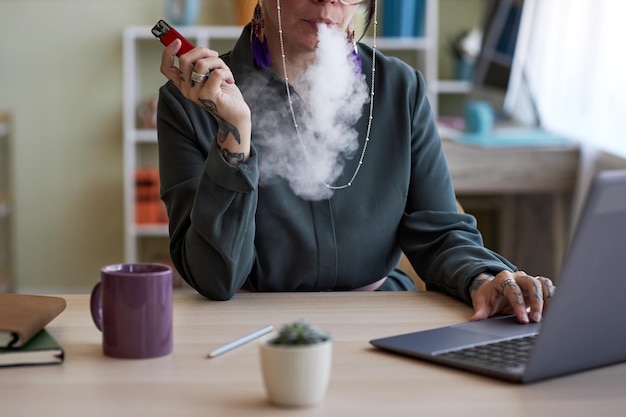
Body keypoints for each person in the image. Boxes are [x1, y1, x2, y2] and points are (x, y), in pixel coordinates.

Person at [156, 0, 556, 324]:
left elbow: (439, 230)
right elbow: (215, 277)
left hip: (378, 320)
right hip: (249, 328)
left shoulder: (401, 88)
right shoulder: (188, 105)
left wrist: (482, 278)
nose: (328, 1)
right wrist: (234, 132)